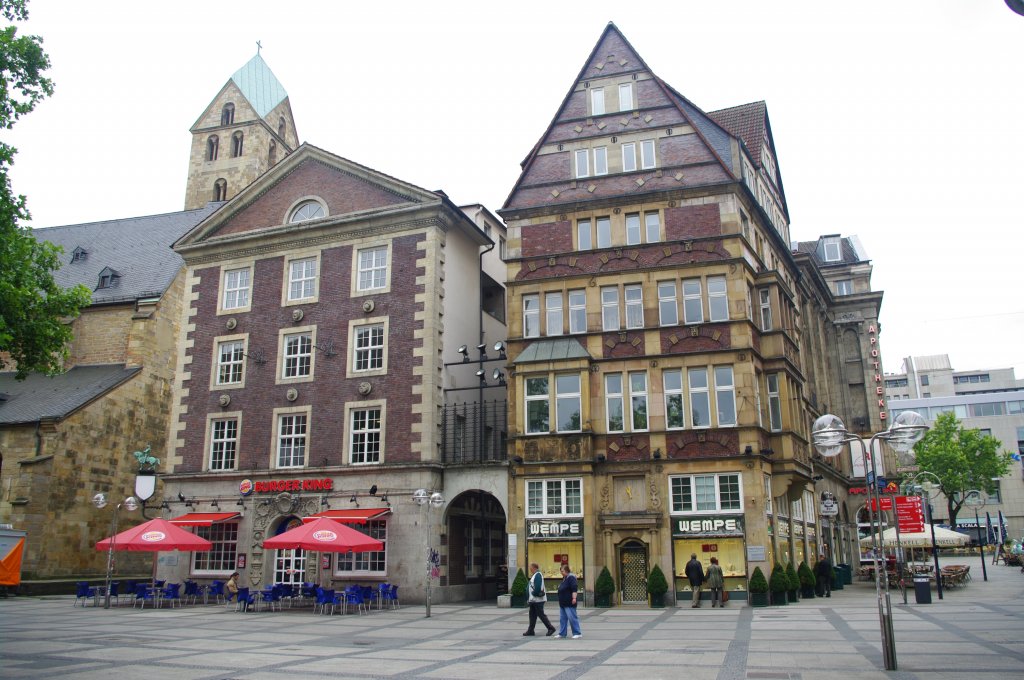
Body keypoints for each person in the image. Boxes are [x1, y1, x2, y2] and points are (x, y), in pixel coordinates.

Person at [523, 562, 556, 637]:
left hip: (537, 600)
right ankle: (530, 630)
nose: (530, 569)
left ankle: (551, 628)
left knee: (540, 614)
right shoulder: (536, 575)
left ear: (534, 568)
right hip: (534, 600)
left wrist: (533, 594)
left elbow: (537, 587)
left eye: (530, 567)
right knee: (532, 615)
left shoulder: (538, 575)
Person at [556, 563, 582, 639]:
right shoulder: (565, 578)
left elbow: (574, 588)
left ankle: (577, 632)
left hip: (569, 602)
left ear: (567, 571)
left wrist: (574, 598)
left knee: (572, 618)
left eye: (562, 571)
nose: (561, 572)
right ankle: (562, 633)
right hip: (563, 603)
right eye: (561, 571)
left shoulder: (571, 578)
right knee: (562, 619)